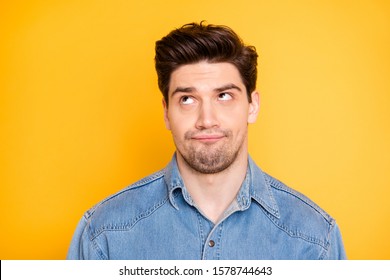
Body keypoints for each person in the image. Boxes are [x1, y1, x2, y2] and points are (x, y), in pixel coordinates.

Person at [67, 22, 346, 260]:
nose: (207, 119)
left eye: (224, 96)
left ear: (252, 106)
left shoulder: (315, 240)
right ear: (166, 113)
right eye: (187, 99)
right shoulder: (102, 236)